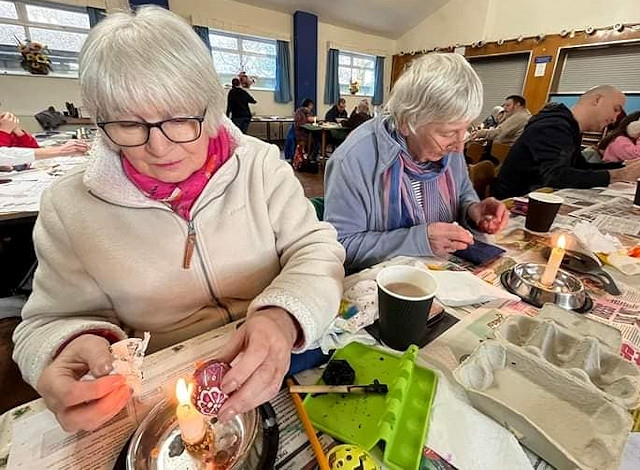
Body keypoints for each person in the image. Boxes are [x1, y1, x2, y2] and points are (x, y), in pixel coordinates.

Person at [12, 6, 345, 433]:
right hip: (163, 387)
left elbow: (317, 249)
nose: (158, 146)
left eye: (180, 119)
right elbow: (42, 324)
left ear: (211, 109)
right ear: (100, 123)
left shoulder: (261, 166)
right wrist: (71, 345)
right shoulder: (69, 207)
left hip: (284, 355)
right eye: (130, 124)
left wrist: (283, 316)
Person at [324, 53, 509, 273]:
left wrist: (473, 210)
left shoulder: (449, 149)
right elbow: (341, 247)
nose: (460, 147)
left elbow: (462, 194)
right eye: (448, 132)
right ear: (406, 123)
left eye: (465, 130)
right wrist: (418, 240)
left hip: (443, 277)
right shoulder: (354, 159)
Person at [492, 86, 640, 199]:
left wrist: (623, 167)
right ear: (597, 100)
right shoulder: (554, 125)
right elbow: (555, 176)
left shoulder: (570, 127)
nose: (615, 118)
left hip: (540, 195)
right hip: (513, 204)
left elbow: (579, 167)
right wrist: (619, 175)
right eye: (615, 109)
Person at [0, 110, 89, 166]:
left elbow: (32, 149)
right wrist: (4, 132)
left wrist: (17, 131)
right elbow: (3, 156)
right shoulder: (3, 131)